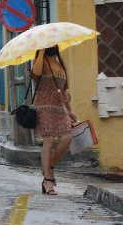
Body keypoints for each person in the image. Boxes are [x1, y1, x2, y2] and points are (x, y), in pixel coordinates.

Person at [32, 46, 77, 196]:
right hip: (44, 107)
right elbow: (35, 73)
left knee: (67, 137)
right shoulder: (41, 61)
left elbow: (64, 91)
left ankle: (48, 166)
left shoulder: (60, 63)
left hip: (60, 108)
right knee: (49, 140)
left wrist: (70, 112)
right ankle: (48, 181)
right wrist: (41, 52)